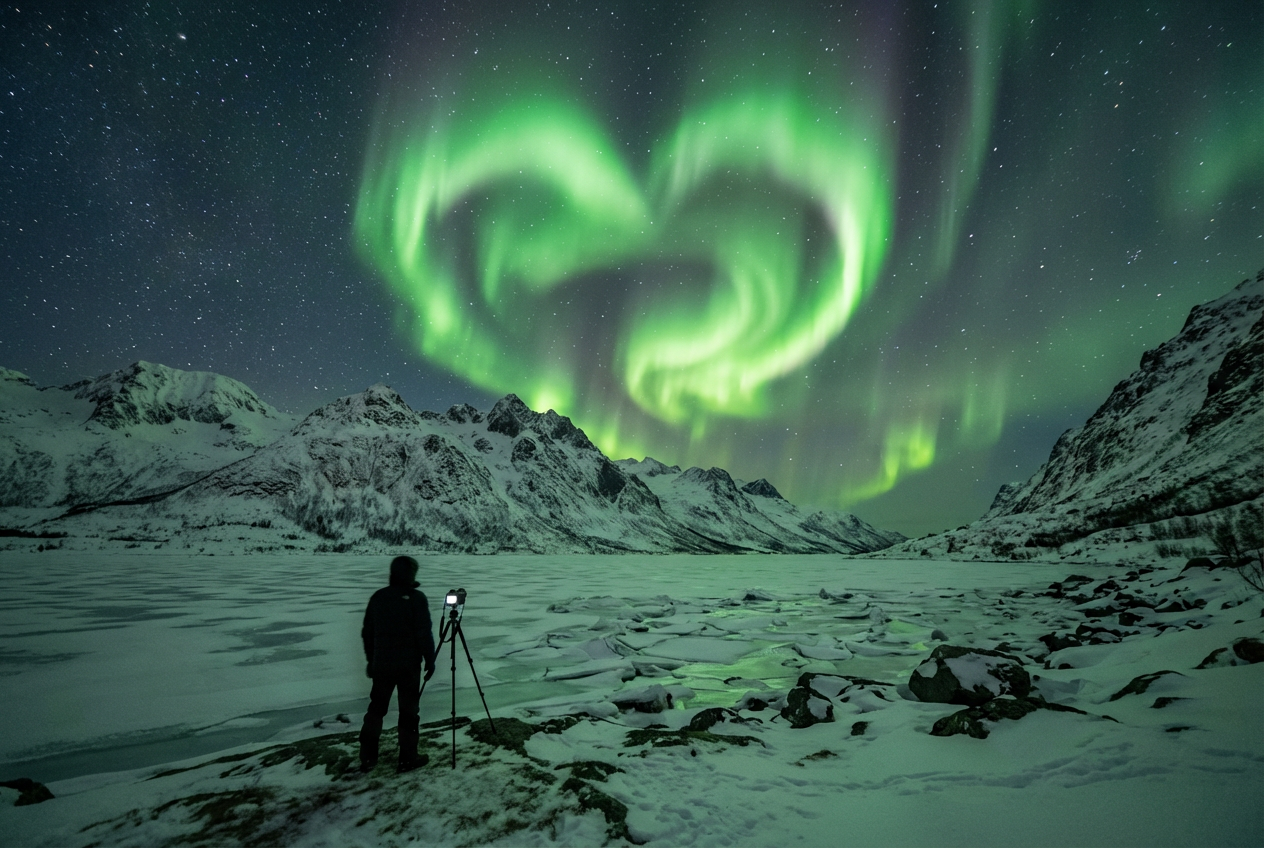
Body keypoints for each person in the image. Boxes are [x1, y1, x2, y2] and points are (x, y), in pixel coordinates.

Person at [358, 555, 437, 773]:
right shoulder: (416, 598)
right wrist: (430, 659)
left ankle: (367, 757)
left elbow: (367, 633)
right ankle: (408, 758)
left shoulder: (379, 597)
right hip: (408, 667)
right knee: (409, 712)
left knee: (376, 710)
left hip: (382, 665)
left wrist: (371, 660)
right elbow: (424, 632)